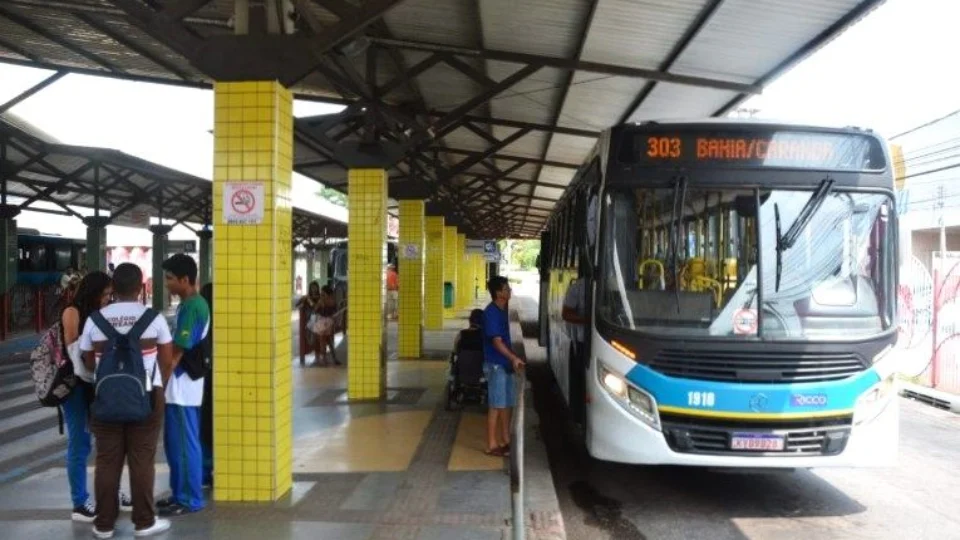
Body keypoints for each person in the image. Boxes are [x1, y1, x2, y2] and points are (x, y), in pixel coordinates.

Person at [80, 263, 172, 538]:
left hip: (106, 398)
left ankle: (104, 524)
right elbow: (166, 361)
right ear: (140, 286)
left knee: (107, 461)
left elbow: (87, 362)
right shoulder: (154, 318)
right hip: (146, 396)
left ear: (113, 288)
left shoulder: (95, 320)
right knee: (142, 460)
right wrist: (157, 388)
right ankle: (144, 522)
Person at [60, 271, 133, 522]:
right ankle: (79, 502)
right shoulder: (72, 312)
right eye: (104, 294)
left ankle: (113, 491)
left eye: (110, 294)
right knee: (80, 443)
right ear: (92, 292)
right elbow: (74, 352)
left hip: (97, 383)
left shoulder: (100, 314)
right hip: (76, 385)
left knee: (110, 441)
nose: (107, 299)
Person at [157, 254, 210, 517]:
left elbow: (179, 349)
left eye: (169, 279)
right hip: (183, 385)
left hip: (182, 385)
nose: (166, 283)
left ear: (185, 280)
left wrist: (162, 378)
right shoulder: (188, 304)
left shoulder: (192, 306)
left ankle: (190, 498)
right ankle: (179, 493)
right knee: (175, 443)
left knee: (184, 443)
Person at [482, 276, 524, 457]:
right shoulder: (491, 313)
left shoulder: (503, 310)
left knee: (507, 404)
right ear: (498, 293)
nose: (509, 291)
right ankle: (492, 444)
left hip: (506, 364)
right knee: (496, 405)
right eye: (507, 289)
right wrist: (513, 357)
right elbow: (497, 342)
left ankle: (506, 439)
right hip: (497, 365)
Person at [199, 283, 214, 489]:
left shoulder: (201, 320)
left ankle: (204, 471)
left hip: (203, 380)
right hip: (222, 380)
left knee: (203, 426)